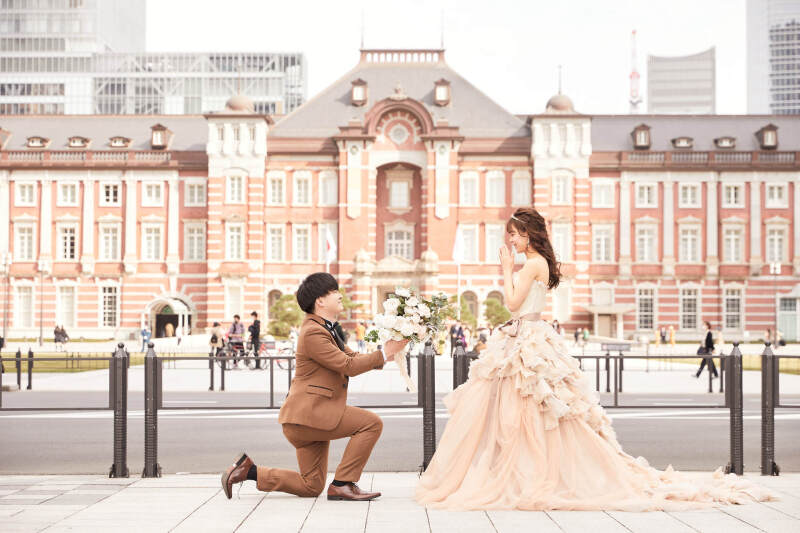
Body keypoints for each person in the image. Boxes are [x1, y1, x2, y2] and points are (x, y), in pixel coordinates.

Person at [415, 207, 774, 510]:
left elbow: (510, 303)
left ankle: (527, 473)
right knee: (528, 413)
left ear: (529, 235)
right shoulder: (540, 262)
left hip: (526, 337)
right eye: (510, 234)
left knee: (523, 411)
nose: (510, 240)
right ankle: (528, 470)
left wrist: (507, 269)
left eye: (515, 234)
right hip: (528, 336)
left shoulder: (531, 264)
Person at [220, 272, 409, 501]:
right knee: (371, 424)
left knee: (311, 486)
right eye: (334, 292)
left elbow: (353, 356)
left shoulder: (326, 328)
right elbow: (347, 365)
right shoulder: (313, 332)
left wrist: (390, 348)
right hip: (309, 417)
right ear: (320, 301)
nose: (340, 295)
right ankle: (343, 483)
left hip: (307, 419)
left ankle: (247, 471)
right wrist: (383, 353)